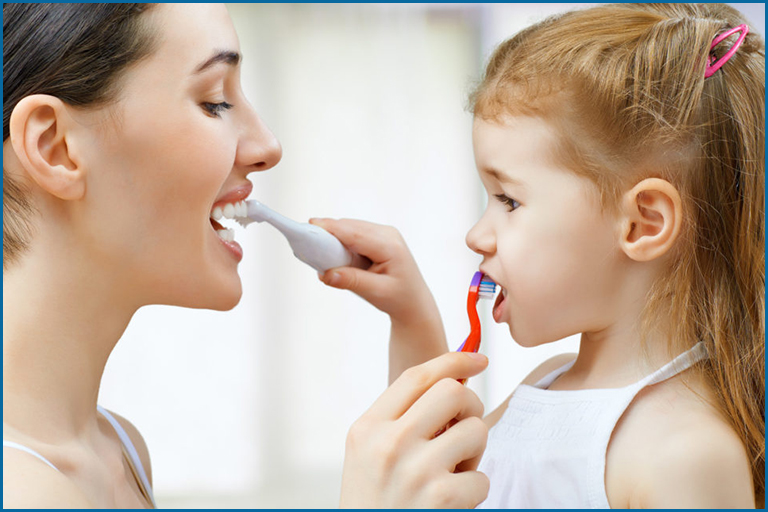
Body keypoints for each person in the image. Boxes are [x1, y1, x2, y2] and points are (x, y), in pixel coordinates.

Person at [2, 4, 490, 508]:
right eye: (214, 101)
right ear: (54, 146)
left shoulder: (117, 450)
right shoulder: (20, 490)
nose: (267, 145)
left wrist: (413, 322)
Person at [315, 3, 764, 508]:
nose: (477, 235)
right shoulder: (545, 384)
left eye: (509, 200)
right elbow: (427, 476)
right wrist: (411, 314)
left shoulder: (686, 455)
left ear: (643, 223)